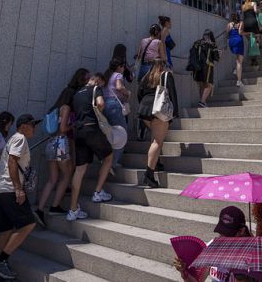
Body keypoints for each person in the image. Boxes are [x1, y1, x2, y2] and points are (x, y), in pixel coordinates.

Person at [0, 115, 40, 279]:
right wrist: (18, 189)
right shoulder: (20, 138)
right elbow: (12, 162)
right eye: (33, 125)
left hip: (0, 190)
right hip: (10, 190)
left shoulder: (14, 139)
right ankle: (0, 261)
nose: (35, 128)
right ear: (24, 126)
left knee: (5, 231)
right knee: (28, 224)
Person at [69, 73, 114, 219]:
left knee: (80, 169)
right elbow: (100, 103)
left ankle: (73, 209)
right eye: (100, 82)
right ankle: (98, 192)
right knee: (108, 156)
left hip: (79, 132)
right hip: (92, 129)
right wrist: (98, 112)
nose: (100, 85)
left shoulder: (76, 94)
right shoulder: (96, 89)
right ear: (95, 80)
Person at [171, 206, 252, 282]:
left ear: (241, 231)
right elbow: (199, 280)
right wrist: (184, 272)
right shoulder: (213, 246)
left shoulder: (253, 258)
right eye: (221, 232)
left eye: (228, 234)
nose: (222, 238)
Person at [36, 87, 75, 224]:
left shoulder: (54, 108)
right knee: (67, 175)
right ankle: (55, 205)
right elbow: (63, 128)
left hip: (50, 143)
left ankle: (40, 208)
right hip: (61, 143)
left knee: (52, 179)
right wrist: (74, 125)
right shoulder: (66, 108)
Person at [138, 59, 178, 188]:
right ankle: (148, 175)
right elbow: (172, 95)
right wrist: (174, 113)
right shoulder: (166, 75)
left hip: (145, 110)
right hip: (159, 110)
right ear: (163, 66)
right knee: (157, 141)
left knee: (155, 138)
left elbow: (139, 93)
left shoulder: (146, 77)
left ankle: (157, 161)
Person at [103, 57, 131, 171]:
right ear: (119, 67)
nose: (124, 68)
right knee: (121, 133)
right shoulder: (118, 75)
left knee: (109, 134)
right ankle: (113, 162)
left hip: (105, 105)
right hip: (115, 105)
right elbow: (119, 87)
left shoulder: (107, 76)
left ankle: (105, 160)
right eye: (123, 66)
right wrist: (127, 92)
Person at [192, 30, 220, 108]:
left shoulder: (197, 43)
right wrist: (219, 54)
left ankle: (202, 102)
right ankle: (202, 101)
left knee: (202, 85)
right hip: (207, 67)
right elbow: (216, 57)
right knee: (210, 85)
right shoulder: (212, 45)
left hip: (197, 67)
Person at [226, 13, 245, 88]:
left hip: (231, 42)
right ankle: (239, 81)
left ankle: (236, 70)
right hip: (238, 41)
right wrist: (247, 33)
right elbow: (240, 32)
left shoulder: (229, 24)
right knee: (239, 62)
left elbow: (227, 35)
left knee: (237, 59)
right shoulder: (241, 23)